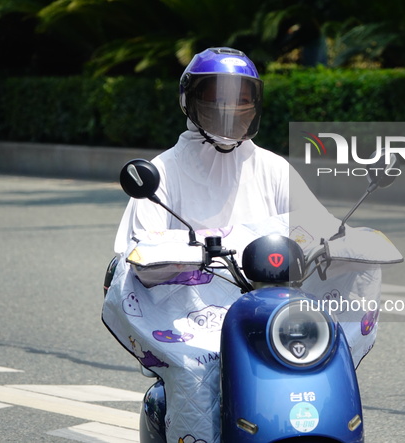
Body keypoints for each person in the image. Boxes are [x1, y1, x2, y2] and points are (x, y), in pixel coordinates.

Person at [103, 47, 380, 443]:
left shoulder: (272, 167)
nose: (230, 106)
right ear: (190, 100)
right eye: (216, 96)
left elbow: (318, 228)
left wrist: (342, 244)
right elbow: (140, 250)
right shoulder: (164, 171)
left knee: (325, 352)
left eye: (242, 97)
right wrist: (178, 257)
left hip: (272, 307)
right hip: (191, 315)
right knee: (196, 371)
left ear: (255, 102)